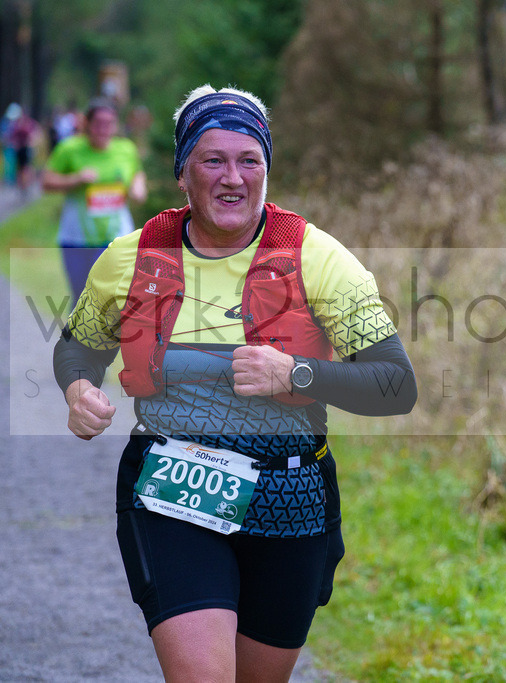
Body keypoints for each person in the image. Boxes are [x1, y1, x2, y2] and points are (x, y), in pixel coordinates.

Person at [52, 84, 417, 682]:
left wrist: (295, 373)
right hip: (172, 490)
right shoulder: (129, 257)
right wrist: (77, 389)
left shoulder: (317, 258)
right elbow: (79, 346)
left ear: (267, 170)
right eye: (212, 160)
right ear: (182, 173)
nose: (233, 177)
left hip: (290, 499)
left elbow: (396, 385)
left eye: (250, 160)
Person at [42, 98, 147, 303]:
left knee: (110, 297)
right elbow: (46, 181)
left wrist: (138, 188)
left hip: (117, 237)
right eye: (98, 123)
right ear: (87, 124)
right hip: (77, 238)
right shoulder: (69, 149)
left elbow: (137, 174)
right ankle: (77, 324)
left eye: (109, 123)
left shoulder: (126, 149)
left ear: (116, 125)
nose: (103, 129)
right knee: (81, 298)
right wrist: (76, 179)